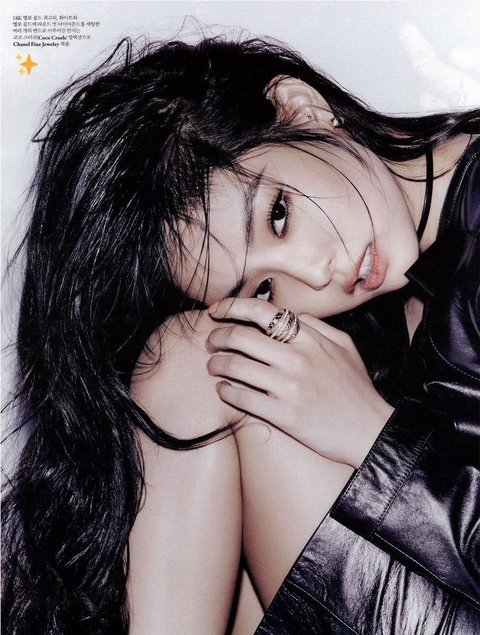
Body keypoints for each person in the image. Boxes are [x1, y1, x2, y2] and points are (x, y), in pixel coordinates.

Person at [1, 35, 478, 634]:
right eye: (264, 291)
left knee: (197, 356)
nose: (315, 275)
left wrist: (372, 435)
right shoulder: (398, 300)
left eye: (279, 214)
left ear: (303, 108)